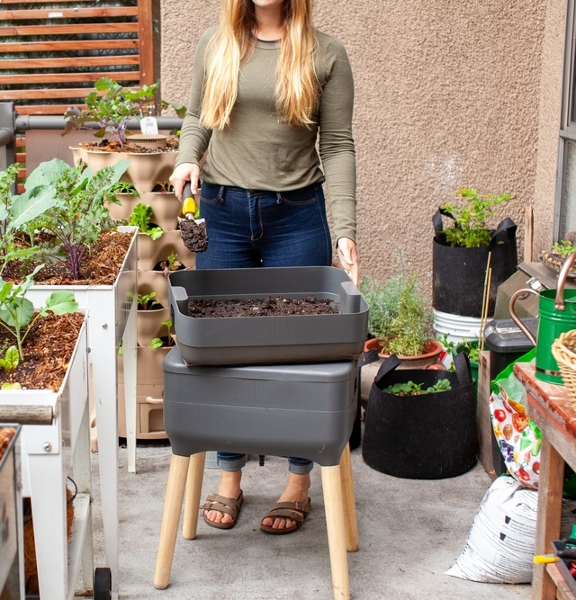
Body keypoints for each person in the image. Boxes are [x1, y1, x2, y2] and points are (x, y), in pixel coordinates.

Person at [169, 0, 359, 534]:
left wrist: (345, 230)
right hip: (221, 212)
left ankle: (298, 481)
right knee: (224, 351)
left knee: (303, 353)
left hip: (297, 216)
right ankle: (229, 475)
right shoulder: (216, 43)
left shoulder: (326, 54)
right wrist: (187, 157)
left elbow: (337, 145)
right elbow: (198, 117)